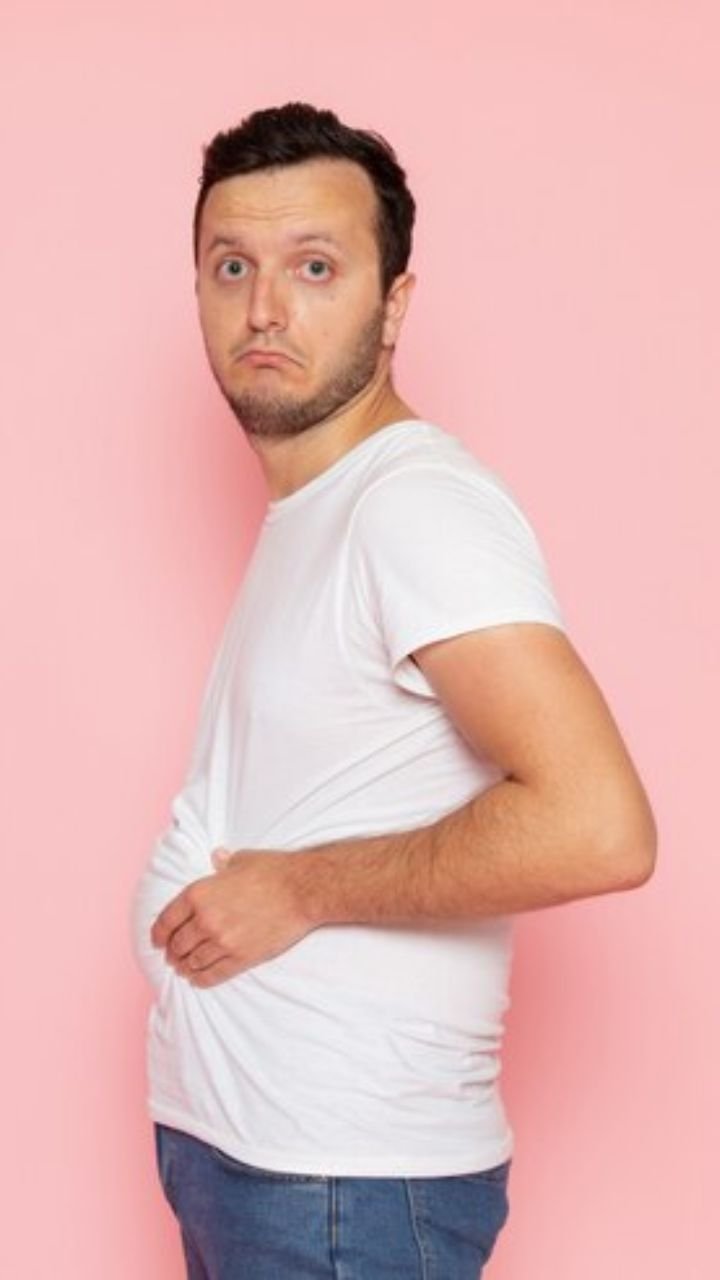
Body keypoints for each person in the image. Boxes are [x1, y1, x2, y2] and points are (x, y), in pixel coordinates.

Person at [130, 102, 657, 1280]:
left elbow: (600, 825)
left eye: (315, 266)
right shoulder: (320, 509)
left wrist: (300, 886)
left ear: (396, 302)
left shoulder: (414, 506)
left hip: (343, 1192)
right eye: (232, 266)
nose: (265, 308)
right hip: (258, 1168)